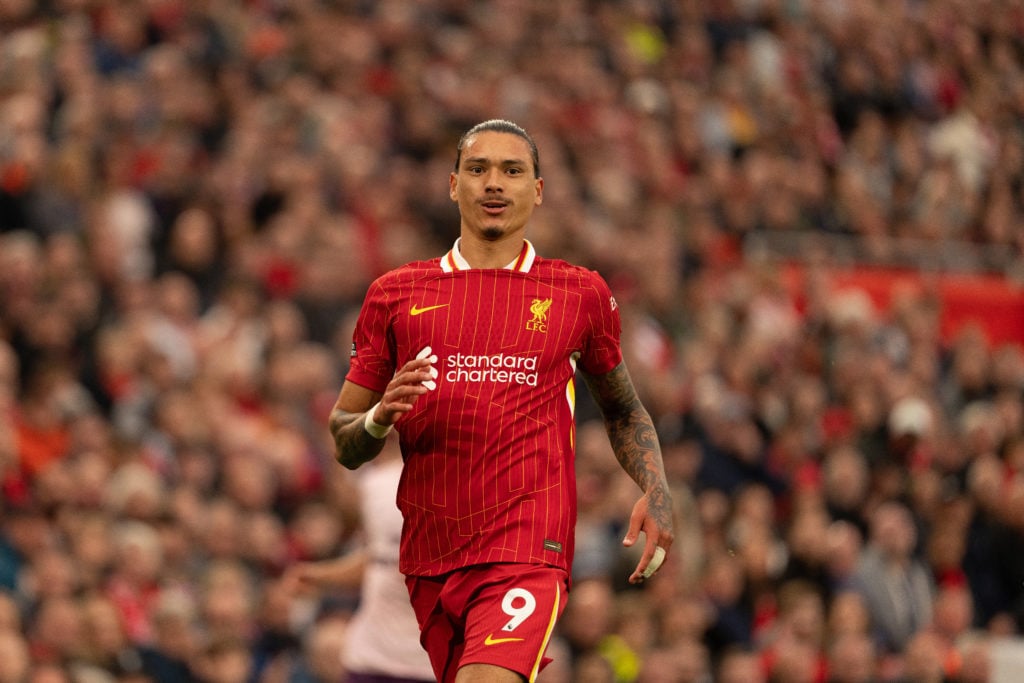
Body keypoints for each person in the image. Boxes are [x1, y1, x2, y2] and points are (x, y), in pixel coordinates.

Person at [328, 119, 674, 683]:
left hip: (528, 548)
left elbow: (623, 408)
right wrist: (376, 419)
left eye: (512, 170)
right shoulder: (394, 294)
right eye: (478, 168)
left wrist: (656, 487)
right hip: (430, 556)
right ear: (452, 184)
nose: (494, 183)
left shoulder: (579, 294)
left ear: (536, 190)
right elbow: (344, 439)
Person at [284, 441, 434, 683]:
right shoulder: (380, 485)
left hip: (426, 662)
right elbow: (381, 558)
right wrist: (320, 577)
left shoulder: (390, 485)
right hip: (373, 657)